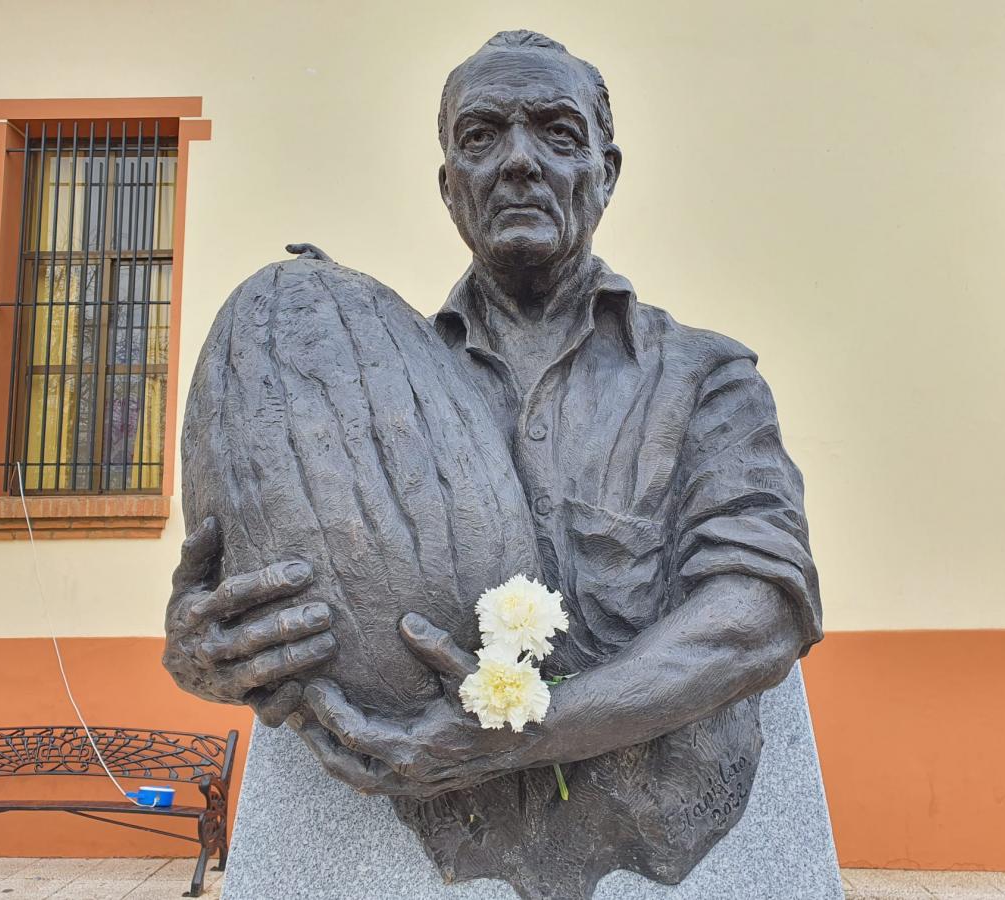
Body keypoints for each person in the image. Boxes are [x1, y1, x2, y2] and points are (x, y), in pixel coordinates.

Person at [164, 29, 822, 897]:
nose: (518, 161)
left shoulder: (705, 379)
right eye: (482, 137)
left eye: (555, 131)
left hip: (672, 827)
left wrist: (536, 730)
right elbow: (264, 576)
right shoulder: (359, 392)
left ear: (606, 170)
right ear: (449, 186)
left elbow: (760, 612)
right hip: (419, 831)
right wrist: (212, 650)